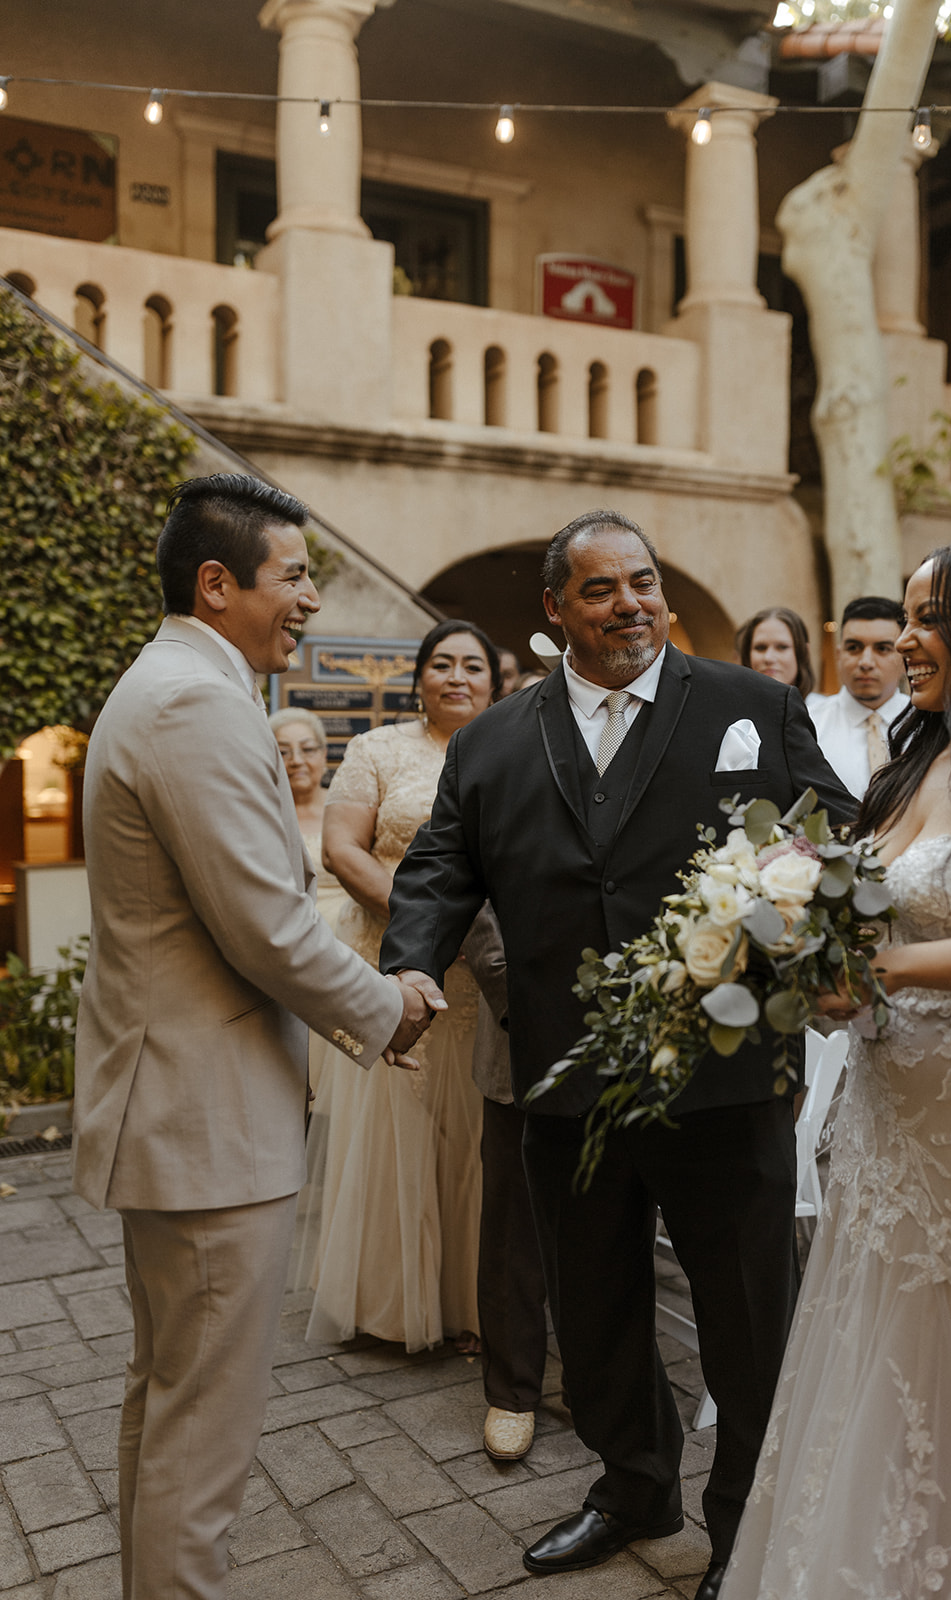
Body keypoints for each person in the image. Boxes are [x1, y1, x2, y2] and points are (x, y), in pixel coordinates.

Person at [379, 509, 855, 1599]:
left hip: (725, 1081)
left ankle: (743, 1521)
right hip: (565, 1079)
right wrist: (410, 972)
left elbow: (830, 843)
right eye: (599, 589)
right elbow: (439, 872)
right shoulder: (492, 740)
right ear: (556, 610)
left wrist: (776, 957)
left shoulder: (751, 706)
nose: (630, 602)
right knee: (591, 1316)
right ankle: (632, 1485)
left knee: (744, 1319)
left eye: (640, 581)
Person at [72, 473, 430, 1600]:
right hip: (207, 1120)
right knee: (202, 1433)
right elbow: (264, 926)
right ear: (217, 584)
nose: (311, 598)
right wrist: (386, 1007)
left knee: (168, 1394)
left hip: (179, 1110)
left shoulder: (171, 683)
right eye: (295, 575)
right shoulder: (195, 702)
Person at [720, 532, 951, 1600]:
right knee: (863, 1351)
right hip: (881, 1110)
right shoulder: (910, 759)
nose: (904, 641)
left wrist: (892, 971)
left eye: (926, 619)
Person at [294, 620, 499, 1354]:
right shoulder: (378, 749)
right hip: (390, 965)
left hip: (481, 980)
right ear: (417, 679)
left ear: (492, 681)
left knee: (469, 1138)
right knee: (391, 1134)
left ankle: (474, 1305)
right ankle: (386, 1304)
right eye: (439, 664)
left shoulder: (509, 747)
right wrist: (422, 920)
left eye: (470, 665)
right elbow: (340, 848)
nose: (455, 676)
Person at [464, 905, 549, 1461]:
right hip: (519, 1026)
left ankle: (607, 1387)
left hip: (635, 1031)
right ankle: (513, 1391)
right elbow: (479, 900)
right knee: (512, 1223)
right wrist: (530, 1006)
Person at [270, 707, 347, 1092]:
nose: (296, 761)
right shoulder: (264, 814)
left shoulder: (346, 808)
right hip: (290, 953)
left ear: (324, 753)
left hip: (348, 950)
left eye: (307, 749)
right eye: (282, 751)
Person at [806, 595, 909, 798]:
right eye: (854, 648)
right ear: (839, 655)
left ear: (905, 658)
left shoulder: (929, 726)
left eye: (882, 649)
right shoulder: (809, 725)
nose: (866, 662)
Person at [735, 605, 817, 696]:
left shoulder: (826, 709)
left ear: (804, 652)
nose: (768, 658)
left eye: (782, 647)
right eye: (760, 648)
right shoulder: (730, 707)